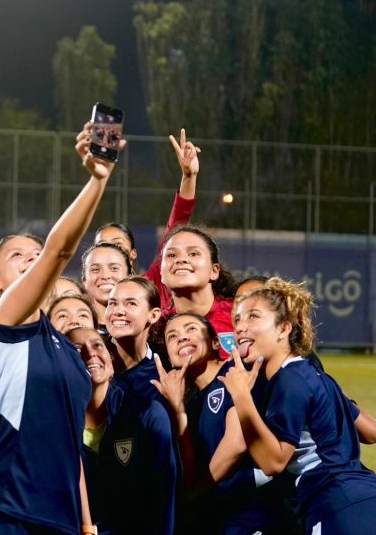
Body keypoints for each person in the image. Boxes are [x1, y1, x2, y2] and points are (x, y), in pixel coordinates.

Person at [0, 122, 120, 534]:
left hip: (59, 518)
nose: (33, 259)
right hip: (5, 508)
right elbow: (60, 249)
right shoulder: (8, 321)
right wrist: (98, 179)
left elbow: (69, 443)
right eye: (19, 256)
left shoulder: (67, 350)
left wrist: (84, 524)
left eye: (36, 253)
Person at [220, 279, 376, 534]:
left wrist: (242, 399)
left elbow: (274, 462)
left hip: (337, 505)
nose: (240, 327)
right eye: (237, 319)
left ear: (283, 329)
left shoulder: (288, 381)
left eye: (253, 317)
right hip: (359, 495)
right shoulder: (312, 375)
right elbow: (370, 432)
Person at [152, 312, 298, 534]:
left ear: (214, 342)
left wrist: (194, 491)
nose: (181, 337)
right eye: (172, 336)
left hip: (258, 514)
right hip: (222, 517)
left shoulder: (236, 373)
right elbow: (188, 469)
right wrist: (178, 410)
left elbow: (236, 444)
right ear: (170, 357)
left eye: (191, 329)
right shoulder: (190, 402)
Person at [73, 326, 176, 535]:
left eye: (97, 346)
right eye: (77, 349)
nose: (90, 353)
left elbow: (163, 497)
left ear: (111, 363)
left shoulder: (147, 414)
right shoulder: (51, 424)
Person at [94, 128, 200, 307]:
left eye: (118, 245)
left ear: (133, 254)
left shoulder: (152, 287)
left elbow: (176, 227)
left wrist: (189, 177)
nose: (111, 251)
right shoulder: (78, 310)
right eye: (103, 245)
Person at [159, 225, 236, 338]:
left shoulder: (238, 314)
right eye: (171, 255)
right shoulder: (156, 327)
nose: (181, 259)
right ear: (161, 273)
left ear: (214, 271)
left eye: (193, 254)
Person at [106, 276, 162, 401]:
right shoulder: (88, 354)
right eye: (112, 303)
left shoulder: (163, 373)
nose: (118, 311)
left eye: (131, 303)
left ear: (153, 315)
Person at [80, 242, 132, 330]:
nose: (105, 276)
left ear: (129, 276)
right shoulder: (75, 329)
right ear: (84, 281)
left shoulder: (146, 327)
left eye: (114, 268)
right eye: (95, 269)